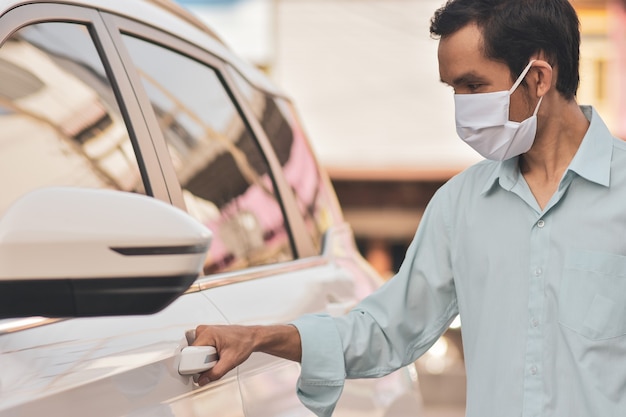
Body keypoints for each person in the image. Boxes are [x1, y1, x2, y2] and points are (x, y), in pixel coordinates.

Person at [192, 0, 626, 416]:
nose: (462, 106)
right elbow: (384, 329)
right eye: (453, 88)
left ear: (538, 78)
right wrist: (258, 337)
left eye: (473, 85)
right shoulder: (460, 206)